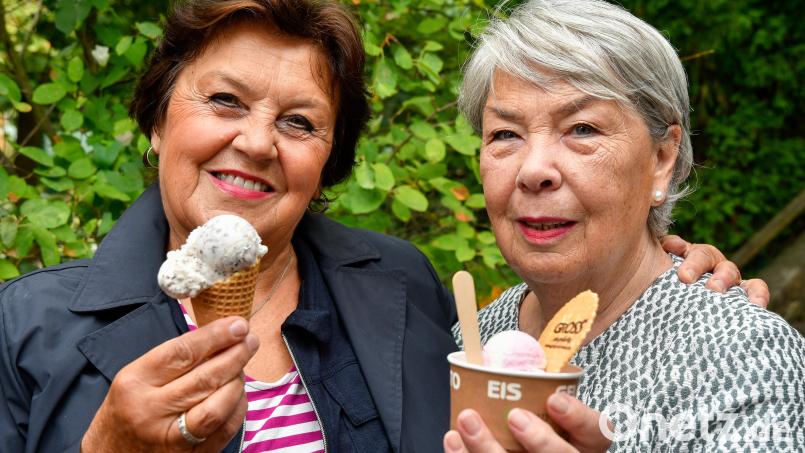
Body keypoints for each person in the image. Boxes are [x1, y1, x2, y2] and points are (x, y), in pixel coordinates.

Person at [0, 1, 765, 452]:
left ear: (328, 157)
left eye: (299, 121)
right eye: (225, 101)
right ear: (158, 117)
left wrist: (666, 278)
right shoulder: (22, 325)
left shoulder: (406, 288)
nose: (259, 141)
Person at [446, 1, 804, 452]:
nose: (533, 169)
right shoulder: (470, 340)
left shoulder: (740, 353)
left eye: (582, 129)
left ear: (661, 158)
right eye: (505, 134)